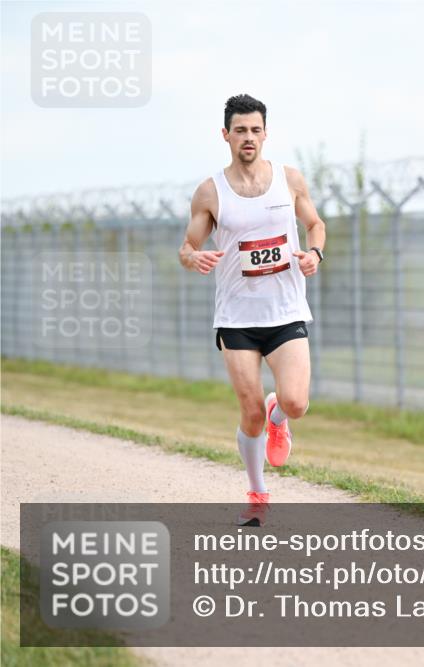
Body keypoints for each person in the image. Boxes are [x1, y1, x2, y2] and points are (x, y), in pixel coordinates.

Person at [178, 94, 326, 525]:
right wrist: (195, 258)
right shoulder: (211, 192)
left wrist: (315, 254)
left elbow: (315, 225)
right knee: (250, 412)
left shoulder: (289, 179)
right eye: (240, 130)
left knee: (296, 402)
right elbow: (188, 247)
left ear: (266, 134)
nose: (248, 137)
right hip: (237, 318)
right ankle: (258, 494)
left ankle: (282, 416)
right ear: (225, 135)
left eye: (255, 130)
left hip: (285, 312)